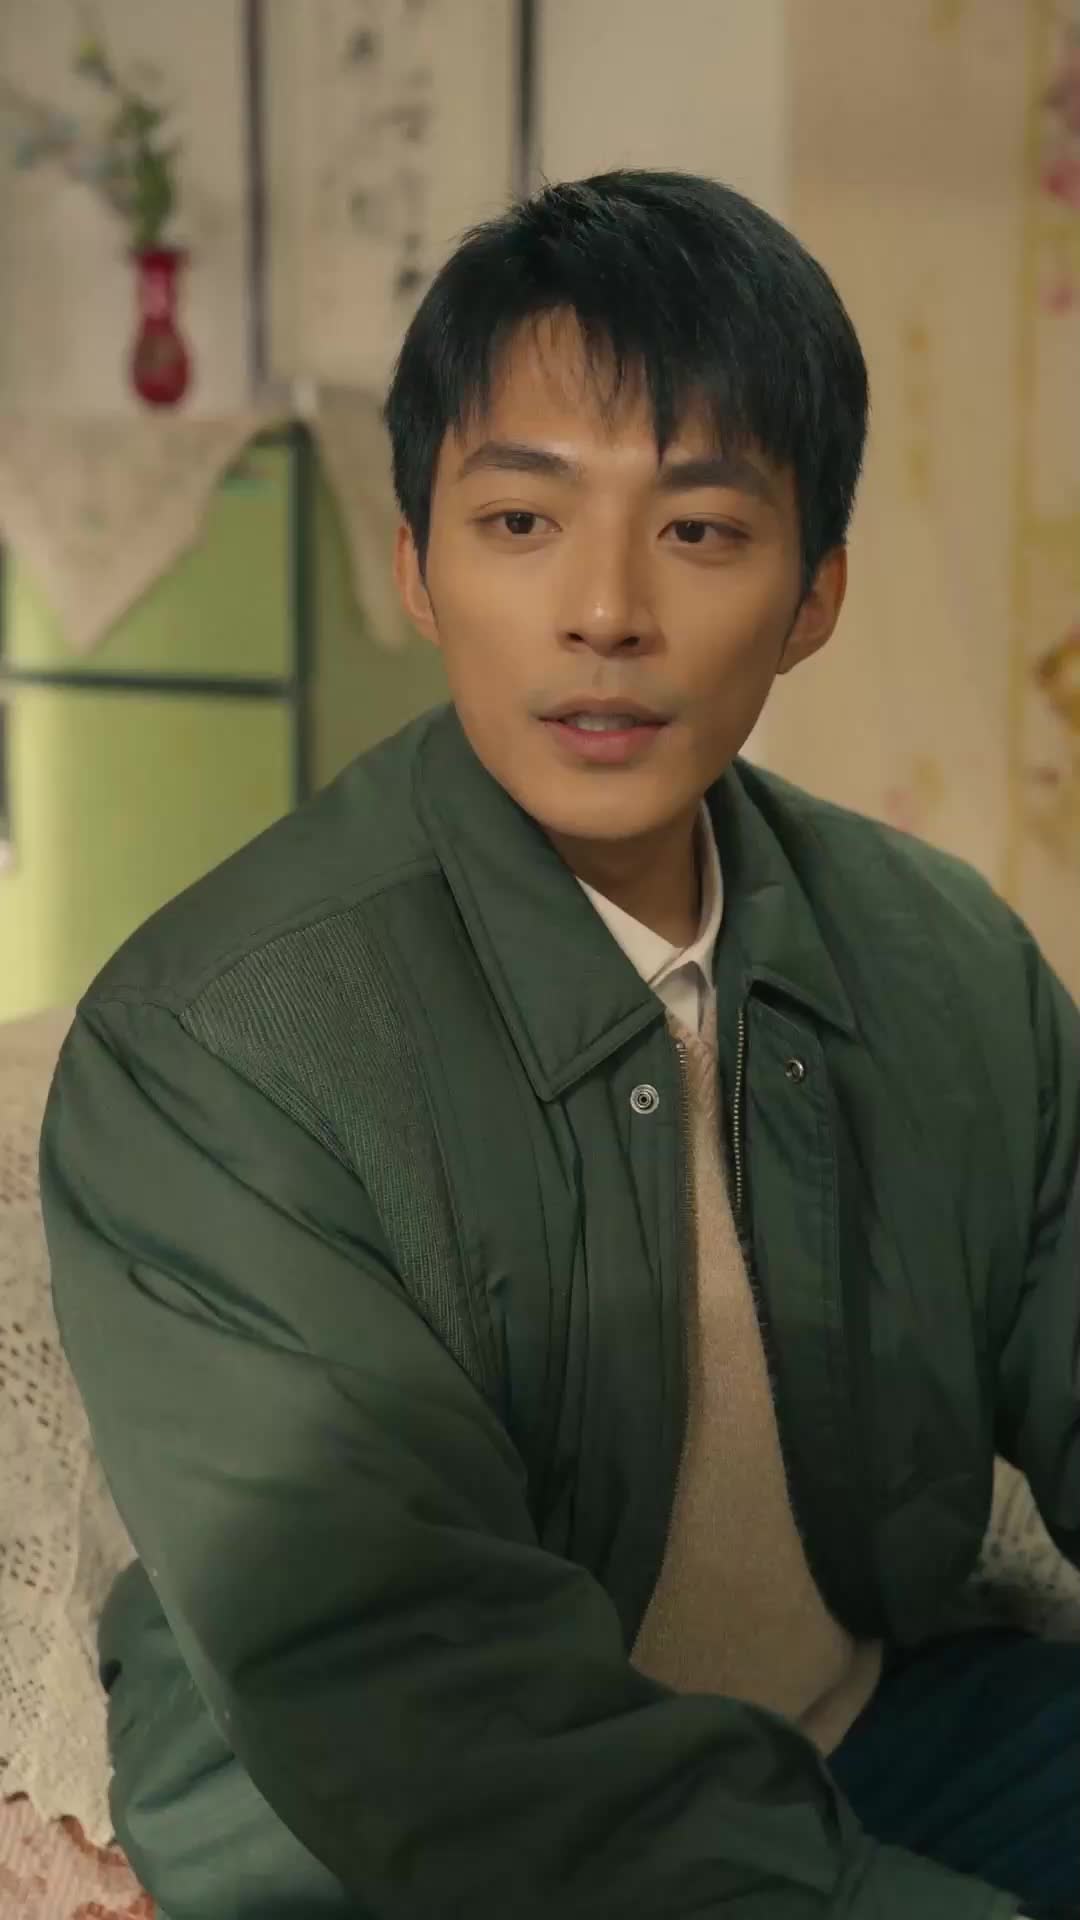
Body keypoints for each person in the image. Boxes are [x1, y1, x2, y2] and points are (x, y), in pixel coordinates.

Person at [40, 170, 1078, 1920]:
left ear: (814, 595)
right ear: (418, 565)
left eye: (701, 531)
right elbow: (428, 1716)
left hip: (860, 1736)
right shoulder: (214, 1050)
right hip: (398, 1845)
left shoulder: (944, 956)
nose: (605, 611)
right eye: (520, 520)